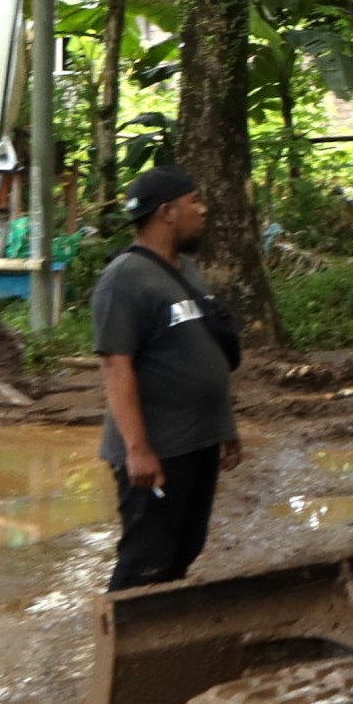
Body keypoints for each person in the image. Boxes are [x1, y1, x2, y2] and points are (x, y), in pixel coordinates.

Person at [93, 164, 244, 591]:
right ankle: (123, 647)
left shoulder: (188, 271)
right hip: (158, 452)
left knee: (185, 549)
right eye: (194, 201)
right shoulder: (122, 280)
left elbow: (203, 353)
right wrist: (138, 450)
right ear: (168, 212)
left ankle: (162, 645)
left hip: (198, 443)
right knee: (145, 561)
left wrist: (225, 427)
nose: (204, 209)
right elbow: (116, 367)